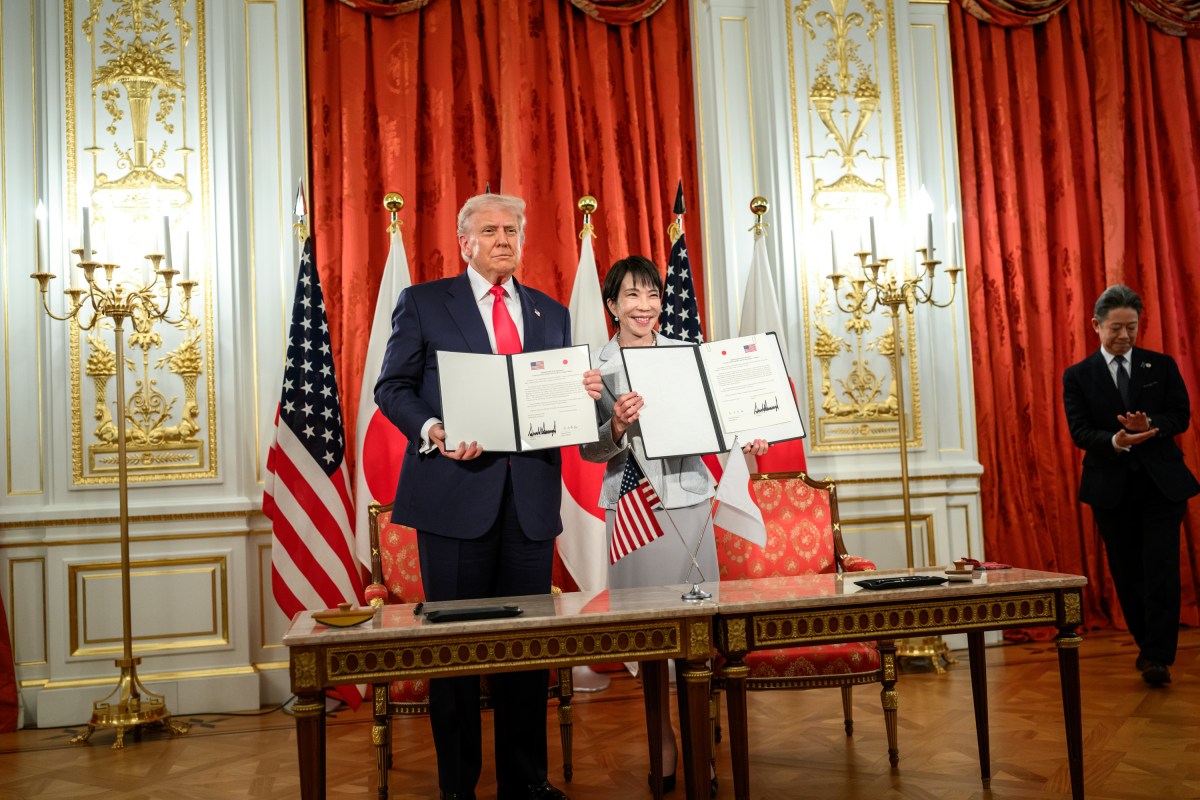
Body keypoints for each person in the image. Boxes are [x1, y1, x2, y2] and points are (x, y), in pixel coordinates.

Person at [375, 193, 601, 800]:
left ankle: (525, 781)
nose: (504, 239)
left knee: (525, 649)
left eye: (512, 230)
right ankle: (458, 787)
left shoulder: (551, 314)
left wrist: (583, 395)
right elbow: (392, 387)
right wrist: (432, 429)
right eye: (490, 230)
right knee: (454, 653)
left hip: (528, 503)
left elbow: (558, 404)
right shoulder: (423, 303)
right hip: (453, 499)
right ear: (465, 242)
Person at [580, 255, 767, 789]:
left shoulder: (691, 355)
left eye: (653, 296)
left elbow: (725, 422)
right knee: (650, 643)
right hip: (633, 508)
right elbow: (590, 450)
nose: (646, 306)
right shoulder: (596, 368)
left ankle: (700, 744)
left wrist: (749, 434)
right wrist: (615, 425)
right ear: (613, 305)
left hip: (690, 507)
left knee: (696, 638)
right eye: (632, 296)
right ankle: (662, 743)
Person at [1062, 284, 1199, 687]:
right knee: (1127, 572)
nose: (1124, 335)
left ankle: (1158, 656)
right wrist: (1116, 440)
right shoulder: (1078, 376)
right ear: (1096, 325)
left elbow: (1181, 416)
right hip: (1111, 489)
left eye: (1132, 327)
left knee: (1161, 570)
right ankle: (1146, 644)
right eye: (1116, 328)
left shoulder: (1161, 365)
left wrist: (1150, 426)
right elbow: (1080, 431)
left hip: (1161, 486)